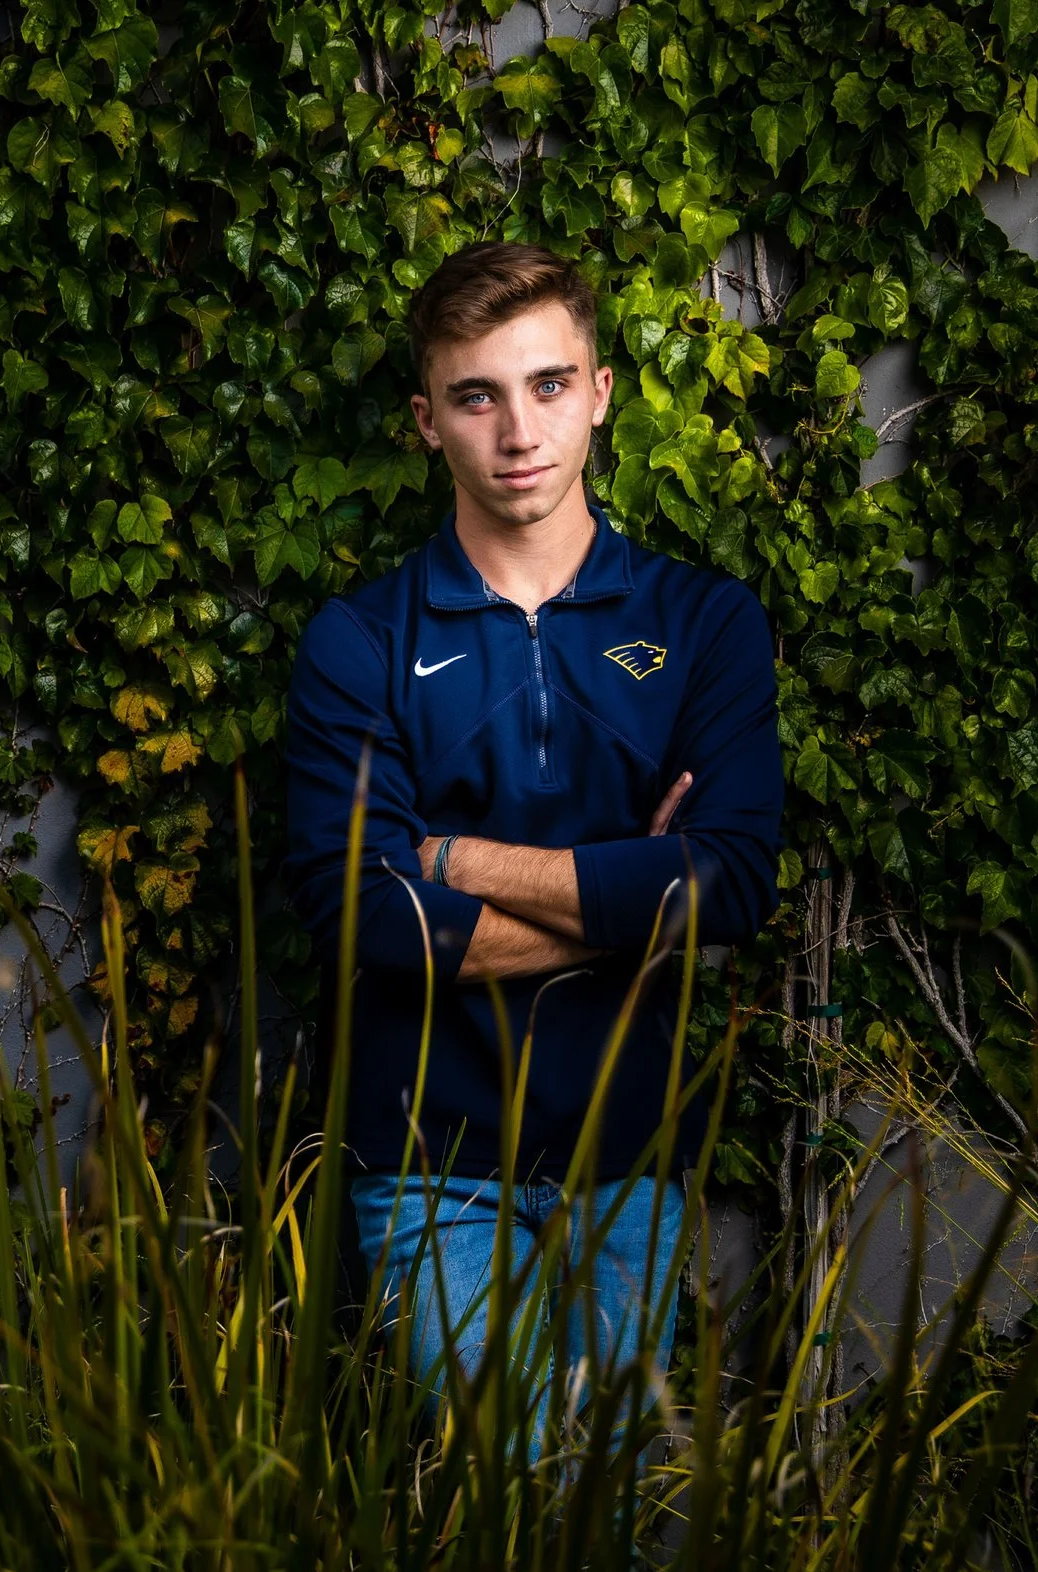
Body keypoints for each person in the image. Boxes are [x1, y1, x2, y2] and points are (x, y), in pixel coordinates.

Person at [281, 241, 782, 1442]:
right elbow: (358, 912)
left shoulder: (702, 622)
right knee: (500, 1512)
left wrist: (445, 858)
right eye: (477, 395)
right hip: (426, 1164)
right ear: (426, 421)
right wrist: (626, 905)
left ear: (600, 392)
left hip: (630, 1165)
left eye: (548, 385)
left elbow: (729, 879)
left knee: (594, 1536)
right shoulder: (358, 640)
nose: (519, 431)